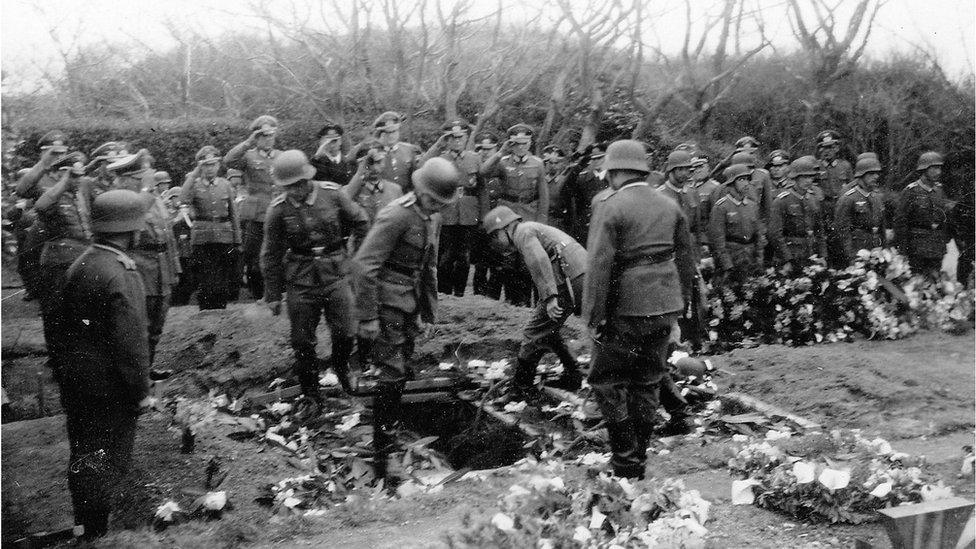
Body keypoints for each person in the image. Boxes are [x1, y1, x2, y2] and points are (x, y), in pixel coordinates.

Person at [583, 139, 696, 479]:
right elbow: (686, 260)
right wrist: (681, 305)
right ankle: (638, 460)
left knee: (606, 380)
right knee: (648, 380)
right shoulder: (669, 204)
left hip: (626, 307)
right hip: (664, 304)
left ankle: (625, 462)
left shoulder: (611, 205)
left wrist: (594, 316)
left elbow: (599, 264)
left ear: (615, 173)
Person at [352, 157, 460, 483]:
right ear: (419, 190)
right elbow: (364, 265)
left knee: (400, 374)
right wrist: (368, 316)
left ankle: (389, 437)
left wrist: (429, 310)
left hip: (408, 302)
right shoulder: (396, 214)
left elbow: (427, 265)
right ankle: (384, 457)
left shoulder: (430, 218)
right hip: (386, 302)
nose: (434, 207)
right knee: (392, 373)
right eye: (431, 200)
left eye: (440, 204)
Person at [58, 189, 151, 540]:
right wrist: (141, 392)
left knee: (83, 453)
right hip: (111, 388)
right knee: (109, 460)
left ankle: (85, 526)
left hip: (77, 381)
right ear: (131, 230)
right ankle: (99, 534)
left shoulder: (80, 263)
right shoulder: (122, 272)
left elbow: (61, 326)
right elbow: (131, 344)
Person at [261, 150, 369, 402]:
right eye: (289, 187)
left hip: (336, 272)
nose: (296, 191)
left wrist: (357, 258)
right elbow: (270, 255)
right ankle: (311, 393)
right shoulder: (277, 210)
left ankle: (341, 368)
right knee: (302, 340)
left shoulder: (333, 194)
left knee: (346, 330)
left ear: (308, 178)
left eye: (299, 184)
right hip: (301, 278)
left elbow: (361, 220)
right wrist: (273, 295)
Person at [483, 205, 587, 401]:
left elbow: (539, 259)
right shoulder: (531, 228)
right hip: (579, 274)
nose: (496, 243)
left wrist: (549, 297)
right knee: (548, 329)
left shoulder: (522, 232)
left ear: (504, 229)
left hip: (568, 279)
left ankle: (520, 389)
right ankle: (572, 375)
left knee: (533, 331)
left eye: (495, 237)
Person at [108, 150, 181, 366]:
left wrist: (174, 268)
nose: (148, 180)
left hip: (161, 269)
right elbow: (133, 218)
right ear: (128, 179)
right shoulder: (120, 201)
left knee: (156, 327)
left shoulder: (154, 198)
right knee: (136, 328)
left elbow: (168, 235)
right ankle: (133, 376)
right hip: (139, 270)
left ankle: (145, 371)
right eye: (143, 177)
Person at [33, 152, 93, 374]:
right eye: (73, 176)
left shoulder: (80, 192)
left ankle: (78, 357)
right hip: (58, 262)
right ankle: (57, 360)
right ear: (61, 174)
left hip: (82, 259)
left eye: (80, 175)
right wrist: (64, 181)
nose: (78, 180)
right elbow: (40, 206)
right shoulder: (51, 193)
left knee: (81, 310)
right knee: (55, 312)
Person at [479, 123, 548, 306]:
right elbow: (484, 172)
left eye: (525, 143)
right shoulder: (503, 162)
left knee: (526, 262)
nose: (521, 147)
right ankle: (509, 301)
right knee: (506, 261)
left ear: (530, 143)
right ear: (511, 144)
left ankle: (523, 303)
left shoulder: (538, 164)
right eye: (517, 143)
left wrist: (541, 223)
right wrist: (500, 152)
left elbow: (544, 197)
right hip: (507, 217)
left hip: (528, 214)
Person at [419, 120, 483, 296]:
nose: (457, 141)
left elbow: (481, 188)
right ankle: (444, 293)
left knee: (464, 257)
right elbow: (421, 165)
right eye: (452, 138)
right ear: (447, 140)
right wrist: (438, 145)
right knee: (445, 256)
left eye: (460, 137)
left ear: (466, 137)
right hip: (446, 213)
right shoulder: (439, 159)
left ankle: (460, 294)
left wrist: (482, 215)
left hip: (469, 214)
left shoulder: (474, 158)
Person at [224, 115, 281, 299]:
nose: (268, 139)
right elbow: (228, 160)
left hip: (278, 211)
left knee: (278, 255)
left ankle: (275, 294)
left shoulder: (281, 156)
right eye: (263, 135)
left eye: (271, 135)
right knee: (254, 257)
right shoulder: (248, 156)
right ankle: (258, 295)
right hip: (257, 215)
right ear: (257, 137)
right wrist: (248, 142)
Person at [178, 146, 242, 309]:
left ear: (219, 165)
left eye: (213, 164)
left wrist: (237, 240)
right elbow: (183, 197)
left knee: (222, 274)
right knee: (204, 275)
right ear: (201, 166)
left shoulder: (225, 185)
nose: (210, 168)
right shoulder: (194, 185)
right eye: (206, 165)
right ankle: (206, 309)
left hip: (224, 235)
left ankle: (220, 308)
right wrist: (194, 174)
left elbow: (233, 213)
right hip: (202, 238)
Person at [15, 131, 70, 301]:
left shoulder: (72, 171)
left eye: (62, 153)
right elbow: (22, 190)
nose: (59, 156)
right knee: (28, 253)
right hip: (44, 223)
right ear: (42, 153)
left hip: (69, 223)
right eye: (54, 153)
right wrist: (43, 165)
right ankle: (36, 290)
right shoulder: (36, 174)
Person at [894, 151, 952, 277]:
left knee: (935, 284)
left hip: (937, 248)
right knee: (916, 285)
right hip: (917, 248)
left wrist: (944, 239)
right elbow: (900, 221)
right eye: (934, 168)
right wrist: (903, 249)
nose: (938, 172)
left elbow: (945, 217)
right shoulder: (911, 191)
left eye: (939, 168)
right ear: (924, 169)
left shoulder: (939, 191)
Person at [708, 164, 767, 286]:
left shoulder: (752, 206)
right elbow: (718, 241)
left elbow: (759, 236)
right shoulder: (721, 207)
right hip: (731, 258)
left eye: (747, 179)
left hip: (750, 259)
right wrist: (727, 265)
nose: (746, 183)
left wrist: (759, 260)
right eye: (741, 180)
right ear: (731, 183)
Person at [768, 156, 827, 269]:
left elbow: (820, 231)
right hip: (790, 254)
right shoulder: (782, 201)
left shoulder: (813, 200)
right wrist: (787, 259)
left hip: (810, 253)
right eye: (804, 177)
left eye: (810, 177)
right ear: (795, 178)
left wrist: (823, 256)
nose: (808, 181)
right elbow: (775, 234)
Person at [834, 156, 887, 264]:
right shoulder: (848, 198)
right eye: (871, 174)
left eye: (877, 173)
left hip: (876, 250)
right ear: (861, 175)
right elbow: (843, 231)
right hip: (857, 251)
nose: (876, 177)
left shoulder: (877, 198)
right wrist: (851, 256)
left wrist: (884, 250)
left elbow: (882, 228)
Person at [813, 130, 854, 268]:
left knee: (842, 242)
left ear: (836, 148)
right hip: (823, 209)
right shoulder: (816, 167)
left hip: (841, 208)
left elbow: (852, 187)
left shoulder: (845, 166)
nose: (827, 151)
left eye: (830, 147)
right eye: (823, 148)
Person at [342, 138, 403, 225]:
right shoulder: (352, 190)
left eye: (378, 162)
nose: (374, 168)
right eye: (369, 164)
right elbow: (343, 201)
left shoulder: (395, 190)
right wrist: (360, 172)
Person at [471, 132, 503, 298]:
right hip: (480, 219)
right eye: (482, 149)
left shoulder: (502, 166)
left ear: (496, 148)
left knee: (498, 260)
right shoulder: (475, 167)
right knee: (481, 262)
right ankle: (478, 295)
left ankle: (494, 297)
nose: (485, 152)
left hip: (498, 219)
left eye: (489, 149)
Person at [364, 111, 422, 193]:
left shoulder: (409, 149)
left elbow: (415, 177)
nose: (391, 136)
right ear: (381, 134)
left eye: (394, 131)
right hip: (384, 198)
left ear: (398, 131)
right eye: (387, 132)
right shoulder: (373, 153)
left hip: (406, 198)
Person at [310, 121, 355, 186]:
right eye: (328, 142)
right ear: (322, 142)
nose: (332, 145)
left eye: (334, 141)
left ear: (340, 141)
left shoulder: (350, 162)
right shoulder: (317, 163)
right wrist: (316, 157)